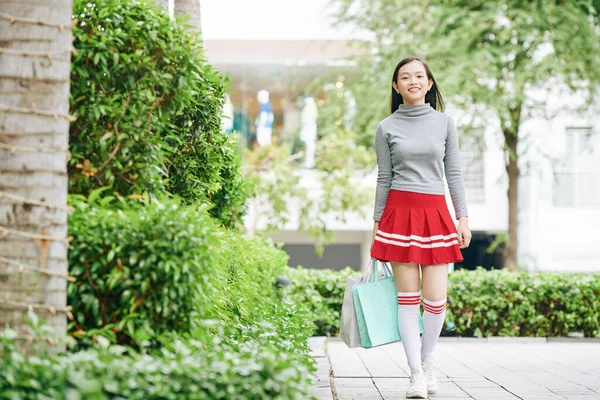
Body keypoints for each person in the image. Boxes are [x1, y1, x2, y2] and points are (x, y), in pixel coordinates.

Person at [370, 57, 472, 399]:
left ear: (429, 83)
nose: (412, 81)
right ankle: (415, 373)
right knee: (407, 300)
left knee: (436, 301)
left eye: (419, 76)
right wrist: (376, 224)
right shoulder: (385, 127)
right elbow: (384, 178)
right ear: (396, 87)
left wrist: (463, 217)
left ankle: (429, 361)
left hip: (436, 215)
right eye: (405, 77)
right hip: (398, 214)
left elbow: (453, 173)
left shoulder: (445, 123)